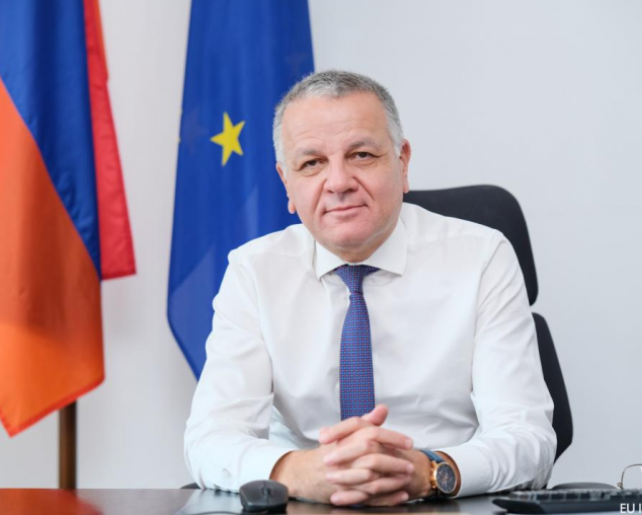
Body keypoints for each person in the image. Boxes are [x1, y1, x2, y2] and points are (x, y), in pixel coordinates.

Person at [184, 70, 556, 507]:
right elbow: (210, 438)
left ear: (402, 162)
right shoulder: (254, 271)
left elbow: (528, 439)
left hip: (441, 500)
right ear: (287, 183)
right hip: (306, 502)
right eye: (312, 163)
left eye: (361, 155)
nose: (338, 182)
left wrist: (428, 471)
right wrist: (298, 471)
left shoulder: (482, 257)